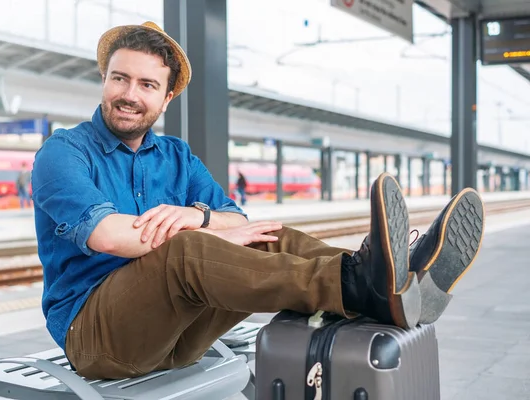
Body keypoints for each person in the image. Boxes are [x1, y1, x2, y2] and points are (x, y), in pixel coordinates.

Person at [31, 21, 485, 380]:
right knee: (188, 250)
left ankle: (394, 279)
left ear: (166, 97)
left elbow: (236, 219)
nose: (130, 94)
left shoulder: (176, 156)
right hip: (98, 337)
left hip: (179, 335)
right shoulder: (64, 151)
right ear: (104, 79)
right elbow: (111, 235)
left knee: (262, 237)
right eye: (120, 79)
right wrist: (205, 228)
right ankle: (365, 285)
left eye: (147, 85)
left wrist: (198, 215)